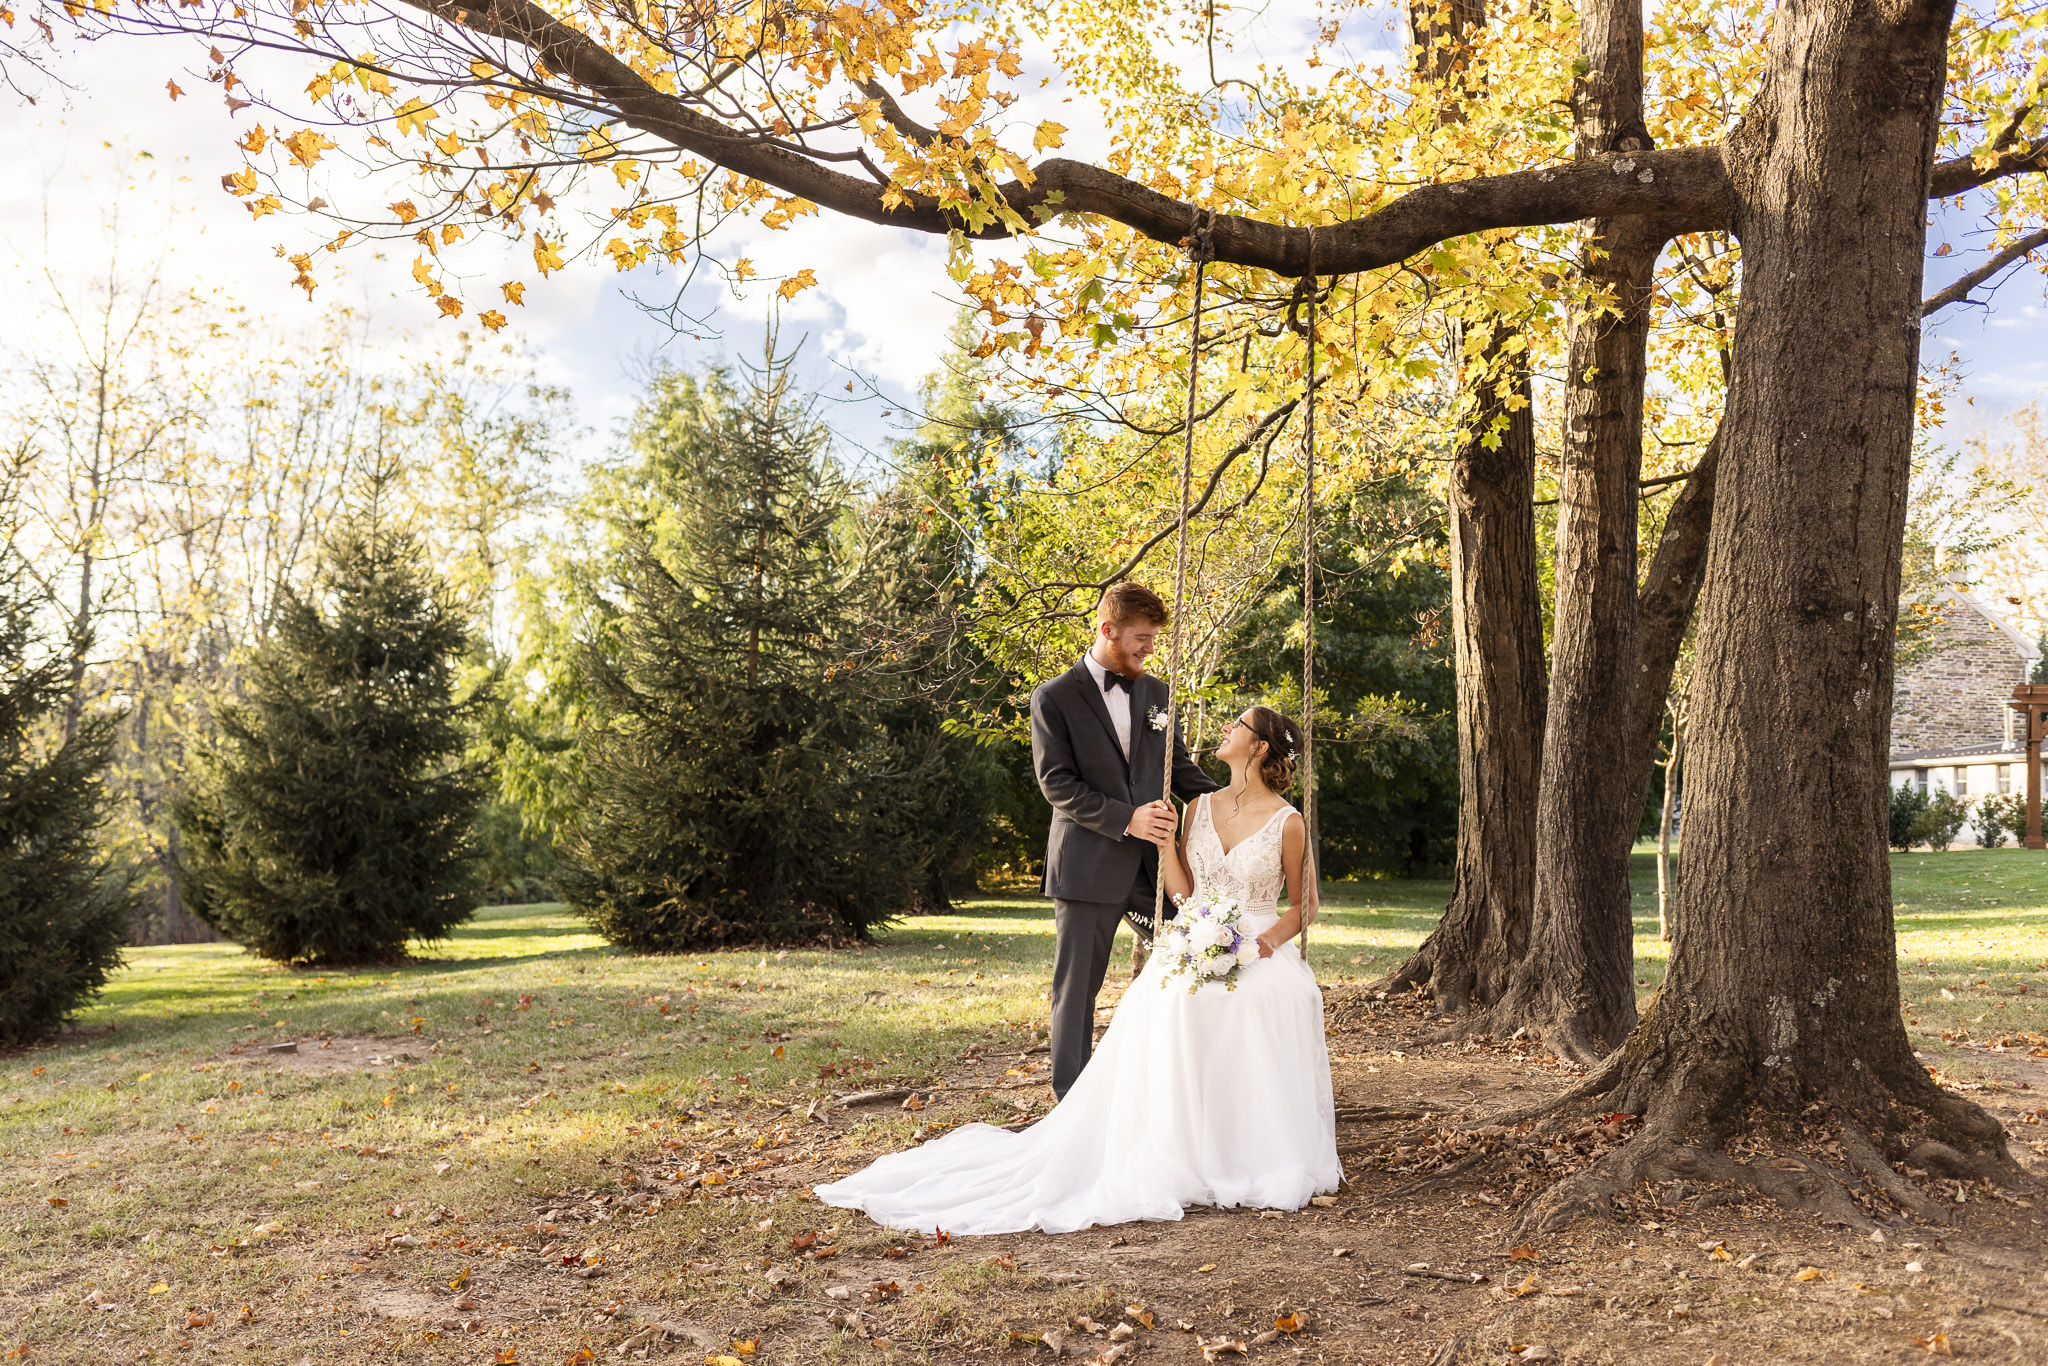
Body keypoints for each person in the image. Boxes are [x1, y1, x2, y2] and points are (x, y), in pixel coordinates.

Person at [813, 704, 1338, 1236]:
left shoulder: (1287, 821)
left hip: (1257, 944)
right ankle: (1172, 1143)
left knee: (1248, 1000)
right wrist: (1164, 849)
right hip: (1197, 934)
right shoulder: (1197, 806)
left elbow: (1305, 905)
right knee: (1168, 998)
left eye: (1238, 726)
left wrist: (1258, 945)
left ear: (1260, 747)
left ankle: (1238, 1147)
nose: (1227, 729)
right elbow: (1183, 893)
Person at [1029, 581, 1218, 1100]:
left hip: (1156, 867)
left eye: (1154, 638)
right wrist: (1127, 819)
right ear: (1107, 630)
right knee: (1078, 989)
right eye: (1141, 637)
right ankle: (1073, 1101)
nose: (1149, 648)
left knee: (1207, 950)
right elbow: (1057, 784)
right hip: (1088, 866)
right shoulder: (1054, 697)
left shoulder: (1157, 694)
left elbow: (1177, 767)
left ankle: (1188, 1086)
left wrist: (1242, 805)